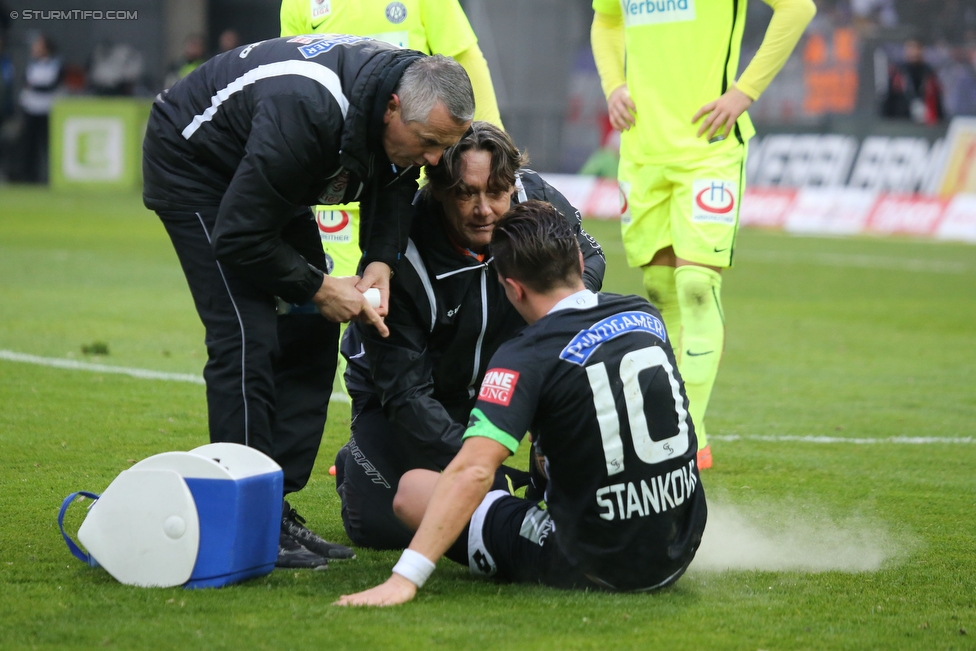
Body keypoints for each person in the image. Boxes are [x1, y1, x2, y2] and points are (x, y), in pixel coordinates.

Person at [142, 36, 474, 569]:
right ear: (392, 108)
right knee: (246, 333)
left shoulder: (399, 107)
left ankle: (275, 505)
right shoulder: (307, 110)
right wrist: (320, 286)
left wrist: (380, 263)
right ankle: (245, 513)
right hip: (196, 166)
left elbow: (393, 181)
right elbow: (238, 236)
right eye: (430, 142)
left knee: (310, 327)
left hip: (273, 174)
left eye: (446, 147)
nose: (436, 161)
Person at [336, 200, 706, 606]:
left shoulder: (524, 356)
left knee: (411, 490)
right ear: (580, 262)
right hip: (679, 543)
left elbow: (474, 470)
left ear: (511, 287)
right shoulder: (644, 314)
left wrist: (404, 579)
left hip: (594, 564)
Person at [336, 121, 606, 550]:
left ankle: (546, 473)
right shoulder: (401, 250)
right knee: (381, 527)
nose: (484, 210)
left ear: (512, 184)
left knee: (579, 352)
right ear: (438, 189)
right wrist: (477, 469)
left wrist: (549, 319)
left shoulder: (536, 199)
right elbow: (405, 393)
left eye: (496, 192)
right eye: (466, 193)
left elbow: (590, 259)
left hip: (500, 381)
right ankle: (359, 457)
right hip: (409, 396)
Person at [590, 0, 816, 469]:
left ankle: (687, 429)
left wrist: (744, 92)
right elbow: (606, 20)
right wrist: (613, 86)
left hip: (707, 149)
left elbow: (797, 9)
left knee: (696, 286)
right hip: (643, 149)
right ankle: (685, 433)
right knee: (659, 289)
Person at [279, 0, 504, 300]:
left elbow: (464, 57)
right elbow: (291, 74)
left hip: (405, 177)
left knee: (400, 294)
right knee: (339, 296)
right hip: (334, 177)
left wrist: (496, 151)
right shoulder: (298, 4)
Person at [17, 34, 61, 183]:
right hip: (31, 109)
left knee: (47, 145)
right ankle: (27, 176)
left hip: (47, 110)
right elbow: (25, 83)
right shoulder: (31, 64)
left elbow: (50, 86)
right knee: (28, 145)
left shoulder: (56, 64)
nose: (35, 49)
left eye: (39, 46)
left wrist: (34, 87)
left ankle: (48, 176)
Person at [882, 39, 945, 124]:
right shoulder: (898, 72)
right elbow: (889, 99)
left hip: (926, 121)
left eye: (917, 48)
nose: (914, 52)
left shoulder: (929, 74)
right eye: (911, 48)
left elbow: (937, 100)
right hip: (901, 121)